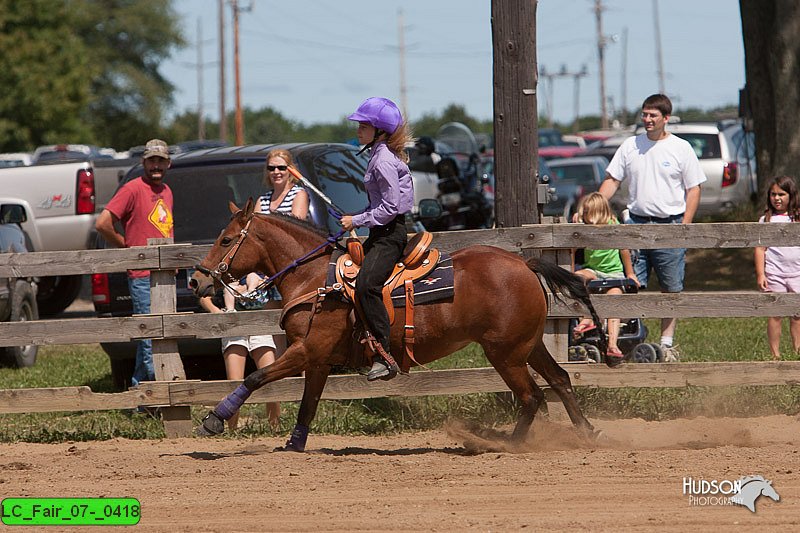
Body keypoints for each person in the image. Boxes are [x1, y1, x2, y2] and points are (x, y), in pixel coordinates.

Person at [598, 94, 707, 362]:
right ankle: (631, 339)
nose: (647, 120)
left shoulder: (680, 148)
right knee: (629, 283)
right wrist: (593, 207)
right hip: (635, 223)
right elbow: (613, 180)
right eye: (644, 115)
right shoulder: (630, 146)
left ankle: (666, 345)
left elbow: (694, 188)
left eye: (653, 116)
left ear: (665, 118)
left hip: (669, 224)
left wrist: (685, 225)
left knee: (670, 288)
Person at [341, 97, 414, 382]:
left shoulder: (382, 160)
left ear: (380, 130)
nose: (359, 130)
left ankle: (384, 354)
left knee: (366, 285)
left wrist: (355, 220)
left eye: (364, 125)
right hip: (380, 232)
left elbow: (389, 209)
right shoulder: (378, 154)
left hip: (389, 235)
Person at [95, 139, 174, 387]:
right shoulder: (132, 189)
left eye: (160, 160)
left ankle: (140, 398)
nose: (156, 165)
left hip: (165, 274)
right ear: (144, 163)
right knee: (151, 338)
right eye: (151, 160)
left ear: (168, 163)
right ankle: (157, 398)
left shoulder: (167, 191)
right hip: (142, 276)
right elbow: (103, 223)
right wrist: (125, 246)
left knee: (154, 338)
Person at [198, 285, 283, 430]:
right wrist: (218, 312)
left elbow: (276, 295)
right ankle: (232, 429)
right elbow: (204, 296)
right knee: (235, 383)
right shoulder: (225, 269)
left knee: (269, 378)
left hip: (258, 320)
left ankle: (275, 427)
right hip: (233, 322)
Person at [572, 193, 639, 363]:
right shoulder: (583, 228)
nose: (584, 216)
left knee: (614, 298)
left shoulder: (613, 225)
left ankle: (612, 344)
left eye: (586, 212)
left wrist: (630, 273)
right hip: (593, 271)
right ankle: (586, 319)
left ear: (596, 212)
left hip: (613, 274)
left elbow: (624, 250)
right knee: (577, 278)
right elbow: (572, 250)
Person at [754, 175, 800, 360]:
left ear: (791, 195)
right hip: (775, 273)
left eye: (782, 194)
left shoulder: (796, 219)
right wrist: (760, 274)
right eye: (773, 194)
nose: (777, 198)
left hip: (797, 272)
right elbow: (759, 249)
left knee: (797, 314)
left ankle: (798, 351)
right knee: (775, 314)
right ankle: (775, 355)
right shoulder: (766, 220)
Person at [256, 148, 309, 219]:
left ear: (291, 170)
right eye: (271, 168)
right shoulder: (262, 201)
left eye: (281, 168)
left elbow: (296, 226)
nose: (276, 172)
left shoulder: (298, 195)